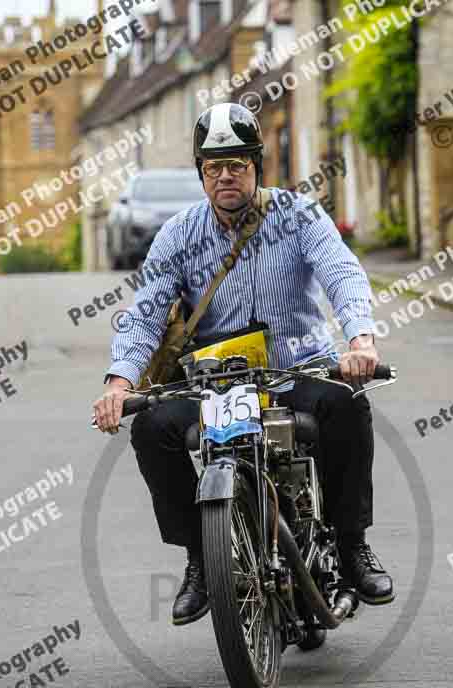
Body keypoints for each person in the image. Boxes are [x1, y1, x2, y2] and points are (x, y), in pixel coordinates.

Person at [93, 102, 394, 627]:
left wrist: (360, 341)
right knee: (152, 428)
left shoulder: (298, 216)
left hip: (296, 369)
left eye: (236, 164)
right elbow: (143, 315)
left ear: (257, 166)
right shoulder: (178, 235)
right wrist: (119, 383)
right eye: (214, 167)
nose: (225, 175)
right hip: (215, 384)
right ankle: (200, 560)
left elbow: (341, 272)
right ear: (201, 174)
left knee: (347, 402)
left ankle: (351, 547)